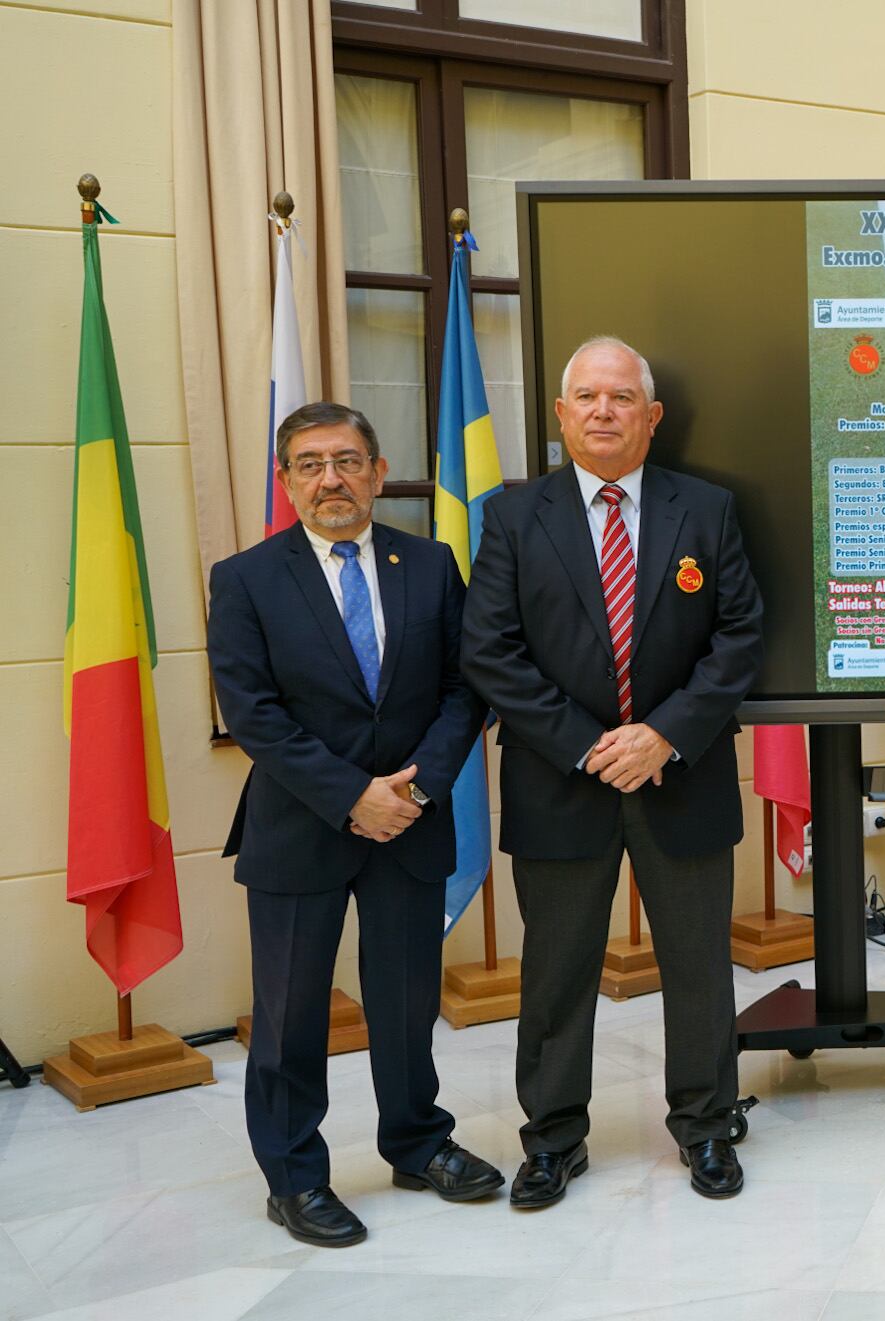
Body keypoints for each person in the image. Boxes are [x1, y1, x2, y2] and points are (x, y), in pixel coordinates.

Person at [461, 336, 764, 1208]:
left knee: (700, 966)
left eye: (621, 397)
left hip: (684, 775)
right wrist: (593, 744)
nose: (602, 411)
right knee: (556, 972)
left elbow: (738, 637)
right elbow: (491, 651)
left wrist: (664, 735)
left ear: (652, 415)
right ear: (560, 415)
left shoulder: (706, 509)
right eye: (586, 397)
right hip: (563, 782)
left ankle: (706, 1127)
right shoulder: (515, 517)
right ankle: (553, 1139)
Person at [207, 401, 504, 1248]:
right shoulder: (246, 578)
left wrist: (413, 790)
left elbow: (464, 687)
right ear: (287, 481)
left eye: (346, 460)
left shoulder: (432, 562)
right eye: (309, 463)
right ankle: (295, 1177)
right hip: (300, 827)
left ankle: (417, 1143)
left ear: (378, 472)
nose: (330, 478)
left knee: (407, 1000)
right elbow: (253, 715)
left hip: (411, 822)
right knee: (292, 1012)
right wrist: (352, 796)